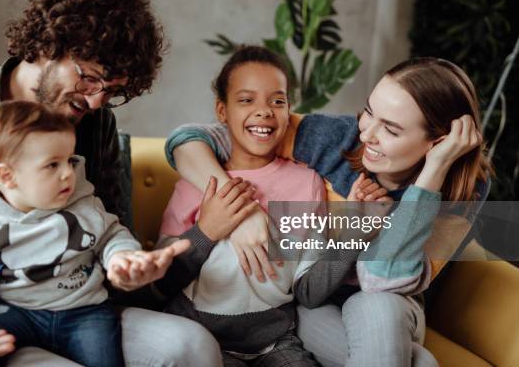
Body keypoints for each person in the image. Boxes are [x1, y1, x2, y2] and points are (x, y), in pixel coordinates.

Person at [0, 0, 224, 367]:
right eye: (91, 78)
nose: (95, 102)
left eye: (111, 92)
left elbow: (108, 229)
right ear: (48, 45)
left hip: (76, 307)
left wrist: (123, 270)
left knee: (191, 345)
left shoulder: (96, 124)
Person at [165, 57, 491, 367]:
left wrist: (431, 176)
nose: (367, 134)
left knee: (376, 304)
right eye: (368, 112)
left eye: (391, 130)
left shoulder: (464, 191)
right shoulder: (335, 137)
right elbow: (193, 138)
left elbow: (382, 280)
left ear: (437, 143)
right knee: (419, 363)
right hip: (318, 302)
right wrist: (241, 210)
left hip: (395, 307)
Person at [157, 46, 387, 367]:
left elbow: (308, 292)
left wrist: (357, 230)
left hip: (277, 342)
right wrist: (207, 232)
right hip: (204, 341)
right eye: (246, 100)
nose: (264, 111)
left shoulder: (306, 183)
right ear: (222, 111)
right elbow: (162, 284)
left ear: (289, 111)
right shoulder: (197, 182)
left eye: (277, 101)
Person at [0, 101, 191, 366]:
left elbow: (112, 236)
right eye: (52, 165)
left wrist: (122, 257)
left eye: (69, 161)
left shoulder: (85, 206)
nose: (68, 174)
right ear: (8, 176)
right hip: (12, 310)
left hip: (83, 312)